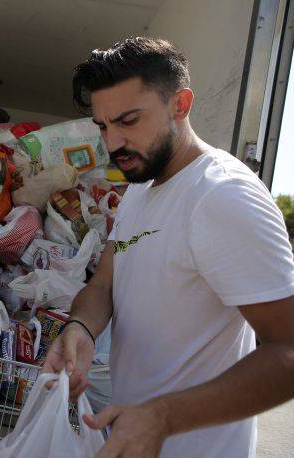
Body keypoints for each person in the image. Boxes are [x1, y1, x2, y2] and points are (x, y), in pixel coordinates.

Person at [42, 37, 294, 457]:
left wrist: (163, 417)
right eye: (103, 126)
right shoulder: (143, 187)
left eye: (128, 120)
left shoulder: (222, 196)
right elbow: (105, 281)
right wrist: (81, 328)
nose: (113, 143)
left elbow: (288, 351)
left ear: (181, 104)